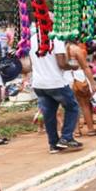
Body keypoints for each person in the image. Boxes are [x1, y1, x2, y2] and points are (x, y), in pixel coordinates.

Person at [30, 21, 82, 154]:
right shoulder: (56, 39)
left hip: (39, 83)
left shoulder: (32, 39)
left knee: (49, 114)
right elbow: (61, 63)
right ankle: (66, 138)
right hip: (56, 82)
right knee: (72, 107)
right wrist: (73, 65)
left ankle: (53, 144)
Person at [66, 38, 96, 137]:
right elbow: (85, 67)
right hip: (79, 77)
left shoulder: (62, 48)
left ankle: (76, 130)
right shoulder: (76, 49)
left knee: (73, 105)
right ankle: (90, 129)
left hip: (67, 78)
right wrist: (92, 82)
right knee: (85, 104)